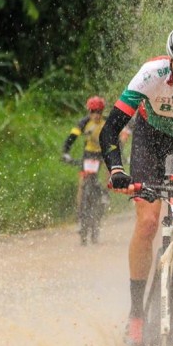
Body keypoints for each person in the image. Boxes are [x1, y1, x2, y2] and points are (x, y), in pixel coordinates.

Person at [100, 23, 173, 346]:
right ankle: (137, 314)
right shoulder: (150, 74)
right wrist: (117, 171)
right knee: (149, 222)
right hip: (149, 139)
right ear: (171, 62)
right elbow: (109, 130)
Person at [62, 96, 108, 245]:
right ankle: (80, 212)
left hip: (102, 154)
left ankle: (106, 192)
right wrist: (65, 152)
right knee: (82, 184)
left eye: (99, 112)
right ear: (89, 111)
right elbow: (71, 137)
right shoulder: (83, 122)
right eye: (93, 111)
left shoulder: (106, 122)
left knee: (110, 167)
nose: (96, 115)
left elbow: (116, 141)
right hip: (88, 155)